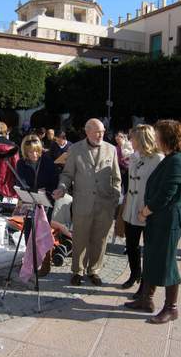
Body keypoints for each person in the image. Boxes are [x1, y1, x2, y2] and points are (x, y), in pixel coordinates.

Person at [124, 120, 181, 324]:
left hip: (167, 220)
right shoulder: (171, 157)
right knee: (152, 258)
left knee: (167, 264)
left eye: (158, 134)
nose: (155, 138)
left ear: (166, 138)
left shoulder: (178, 160)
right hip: (159, 219)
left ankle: (171, 308)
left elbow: (166, 194)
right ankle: (146, 299)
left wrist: (145, 211)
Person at [53, 118, 121, 286]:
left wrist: (114, 199)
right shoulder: (75, 149)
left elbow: (116, 177)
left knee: (100, 239)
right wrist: (62, 188)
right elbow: (67, 174)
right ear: (87, 131)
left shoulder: (111, 149)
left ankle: (94, 270)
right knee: (80, 239)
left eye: (103, 131)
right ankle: (77, 270)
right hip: (82, 203)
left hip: (104, 204)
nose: (101, 134)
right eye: (97, 131)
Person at [121, 125, 163, 291]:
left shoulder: (158, 159)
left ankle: (146, 284)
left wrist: (148, 209)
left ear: (142, 139)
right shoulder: (133, 156)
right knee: (131, 245)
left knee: (149, 249)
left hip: (147, 211)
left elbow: (159, 187)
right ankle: (134, 274)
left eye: (133, 138)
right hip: (131, 208)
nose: (130, 141)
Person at [17, 134, 59, 276]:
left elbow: (54, 181)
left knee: (43, 231)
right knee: (29, 232)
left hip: (45, 202)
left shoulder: (47, 162)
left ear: (40, 149)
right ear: (25, 151)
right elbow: (19, 180)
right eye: (30, 152)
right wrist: (25, 189)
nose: (33, 154)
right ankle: (31, 261)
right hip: (29, 201)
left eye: (36, 151)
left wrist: (46, 192)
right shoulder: (21, 163)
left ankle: (46, 261)